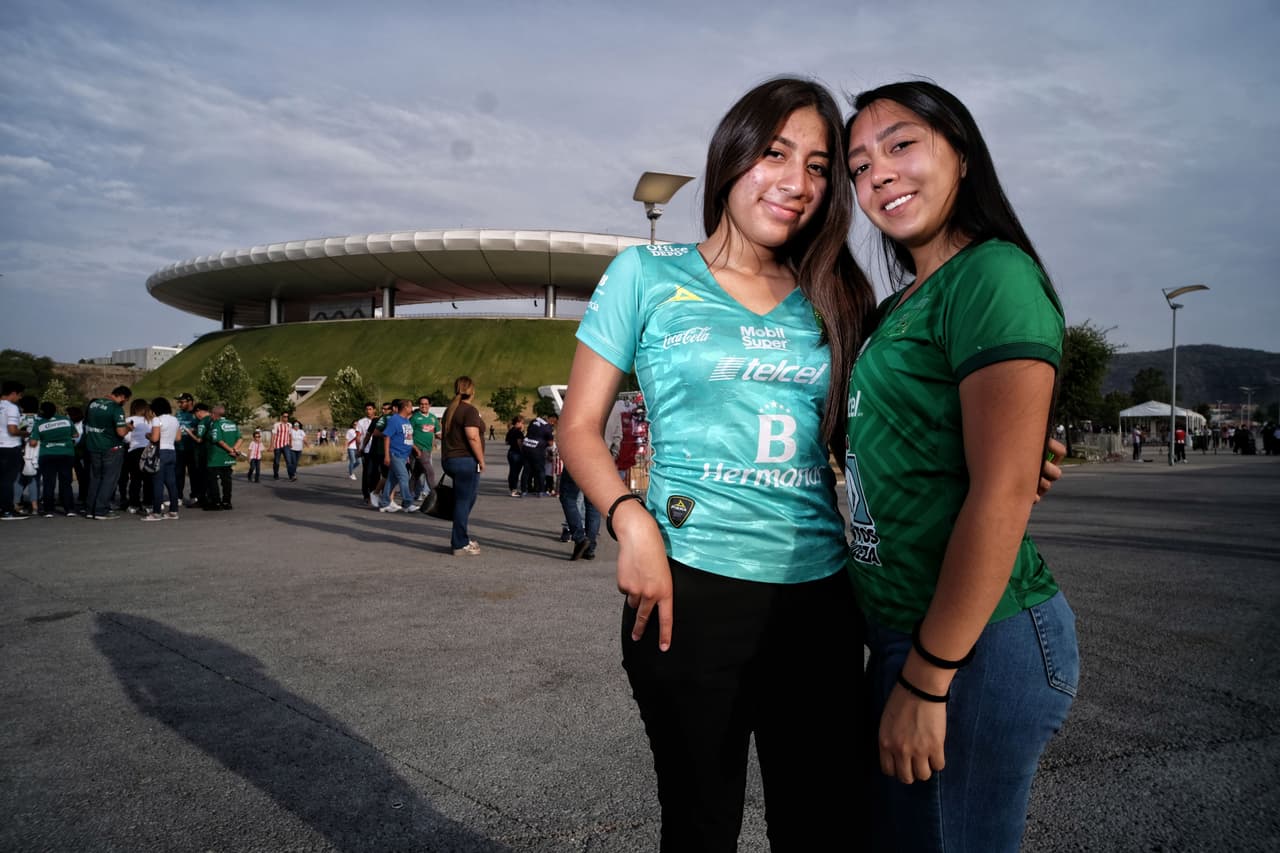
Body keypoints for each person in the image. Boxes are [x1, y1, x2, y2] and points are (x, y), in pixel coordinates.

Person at [559, 78, 878, 850]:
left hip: (818, 599)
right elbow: (578, 428)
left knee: (820, 831)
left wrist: (995, 444)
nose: (797, 181)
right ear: (732, 156)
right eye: (775, 153)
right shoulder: (646, 274)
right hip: (687, 589)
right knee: (700, 826)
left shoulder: (837, 293)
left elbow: (869, 435)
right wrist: (630, 521)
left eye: (818, 166)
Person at [843, 80, 1077, 853]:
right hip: (905, 632)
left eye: (901, 145)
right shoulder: (898, 305)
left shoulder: (991, 273)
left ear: (963, 155)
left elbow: (1002, 490)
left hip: (973, 644)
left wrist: (928, 676)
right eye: (859, 165)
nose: (878, 173)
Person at [440, 376, 485, 556]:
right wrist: (481, 460)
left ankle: (460, 535)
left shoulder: (450, 410)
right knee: (464, 502)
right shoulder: (469, 410)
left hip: (450, 460)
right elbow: (472, 437)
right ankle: (460, 542)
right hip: (465, 461)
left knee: (465, 500)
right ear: (472, 390)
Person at [84, 385, 131, 520]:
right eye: (126, 400)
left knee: (95, 478)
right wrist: (128, 428)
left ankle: (90, 509)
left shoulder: (93, 405)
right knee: (109, 479)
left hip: (93, 446)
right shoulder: (116, 408)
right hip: (111, 447)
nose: (125, 403)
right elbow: (121, 432)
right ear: (122, 397)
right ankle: (101, 510)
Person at [32, 401, 78, 518]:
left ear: (42, 411)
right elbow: (75, 435)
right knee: (66, 483)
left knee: (48, 483)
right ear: (55, 409)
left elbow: (33, 442)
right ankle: (69, 509)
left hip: (47, 454)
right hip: (66, 453)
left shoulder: (39, 423)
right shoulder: (66, 420)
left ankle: (48, 510)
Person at [378, 399, 421, 513]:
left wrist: (415, 448)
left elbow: (407, 437)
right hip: (395, 453)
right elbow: (387, 437)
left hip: (404, 455)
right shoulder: (395, 420)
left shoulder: (406, 421)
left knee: (392, 480)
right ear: (405, 407)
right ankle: (408, 503)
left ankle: (384, 503)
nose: (412, 408)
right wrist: (387, 456)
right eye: (410, 406)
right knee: (404, 477)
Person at [143, 397, 181, 521]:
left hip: (160, 452)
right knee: (171, 483)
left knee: (157, 482)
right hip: (172, 451)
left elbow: (155, 438)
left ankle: (156, 512)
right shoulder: (175, 419)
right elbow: (178, 438)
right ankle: (173, 511)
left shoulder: (157, 420)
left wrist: (147, 435)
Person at [119, 397, 154, 514]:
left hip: (134, 451)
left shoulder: (128, 420)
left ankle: (134, 504)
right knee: (148, 479)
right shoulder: (150, 421)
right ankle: (148, 503)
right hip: (148, 450)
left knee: (135, 479)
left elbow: (126, 438)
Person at [205, 405, 242, 510]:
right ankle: (227, 502)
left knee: (212, 480)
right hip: (229, 458)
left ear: (215, 414)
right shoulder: (232, 423)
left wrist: (230, 450)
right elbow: (240, 438)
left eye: (211, 414)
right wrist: (234, 450)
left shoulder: (216, 424)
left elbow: (219, 440)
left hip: (216, 457)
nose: (211, 416)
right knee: (226, 480)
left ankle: (216, 502)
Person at [0, 381, 28, 521]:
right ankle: (7, 511)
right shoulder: (11, 408)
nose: (20, 398)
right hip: (10, 447)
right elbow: (12, 430)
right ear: (13, 393)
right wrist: (25, 433)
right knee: (7, 480)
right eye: (20, 395)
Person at [409, 396, 439, 509]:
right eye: (421, 404)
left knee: (415, 475)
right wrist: (415, 448)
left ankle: (407, 500)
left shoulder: (433, 418)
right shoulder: (414, 418)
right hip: (418, 450)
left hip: (428, 450)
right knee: (430, 472)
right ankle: (437, 498)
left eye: (426, 404)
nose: (424, 406)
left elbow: (438, 433)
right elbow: (408, 435)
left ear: (430, 405)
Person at [504, 415, 525, 497]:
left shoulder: (510, 431)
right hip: (517, 453)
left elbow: (506, 442)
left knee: (512, 471)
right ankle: (514, 490)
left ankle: (512, 488)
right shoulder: (518, 432)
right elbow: (520, 443)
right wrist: (523, 451)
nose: (523, 425)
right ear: (518, 423)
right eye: (522, 423)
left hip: (511, 452)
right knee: (516, 472)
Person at [270, 411, 294, 480]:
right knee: (276, 461)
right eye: (284, 416)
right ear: (281, 417)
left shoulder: (289, 425)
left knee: (289, 461)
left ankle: (291, 475)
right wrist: (271, 446)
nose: (286, 418)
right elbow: (273, 435)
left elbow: (290, 435)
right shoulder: (277, 425)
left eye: (287, 417)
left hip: (286, 445)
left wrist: (290, 443)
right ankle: (276, 474)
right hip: (277, 445)